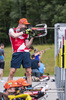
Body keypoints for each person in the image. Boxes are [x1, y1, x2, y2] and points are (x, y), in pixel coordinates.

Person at [8, 18, 35, 86]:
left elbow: (27, 45)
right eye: (25, 25)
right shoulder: (12, 30)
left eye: (26, 25)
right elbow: (14, 35)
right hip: (17, 52)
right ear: (20, 24)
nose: (26, 27)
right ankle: (8, 87)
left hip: (26, 52)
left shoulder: (26, 33)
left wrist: (32, 37)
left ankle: (29, 87)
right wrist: (23, 32)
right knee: (12, 72)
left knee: (28, 72)